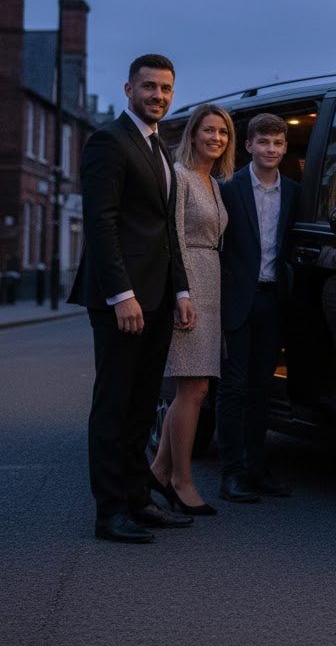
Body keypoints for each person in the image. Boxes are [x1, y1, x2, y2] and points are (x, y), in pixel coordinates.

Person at [69, 54, 196, 544]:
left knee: (144, 405)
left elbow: (168, 230)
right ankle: (110, 512)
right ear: (128, 89)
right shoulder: (109, 141)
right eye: (149, 87)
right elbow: (101, 223)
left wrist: (181, 290)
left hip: (159, 298)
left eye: (165, 88)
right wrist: (122, 294)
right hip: (123, 300)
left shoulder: (159, 147)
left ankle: (139, 499)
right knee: (114, 404)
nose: (158, 96)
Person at [149, 104, 235, 516]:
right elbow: (174, 239)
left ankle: (159, 471)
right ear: (193, 135)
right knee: (193, 389)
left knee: (196, 388)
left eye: (223, 132)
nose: (216, 138)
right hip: (190, 284)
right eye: (209, 130)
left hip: (212, 280)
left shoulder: (214, 183)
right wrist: (181, 293)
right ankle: (182, 479)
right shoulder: (181, 177)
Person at [217, 113, 300, 502]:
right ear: (248, 145)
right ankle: (231, 473)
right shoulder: (229, 189)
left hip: (272, 299)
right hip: (236, 301)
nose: (271, 149)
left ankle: (256, 467)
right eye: (263, 142)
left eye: (278, 143)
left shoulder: (295, 192)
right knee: (233, 388)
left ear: (284, 148)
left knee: (261, 389)